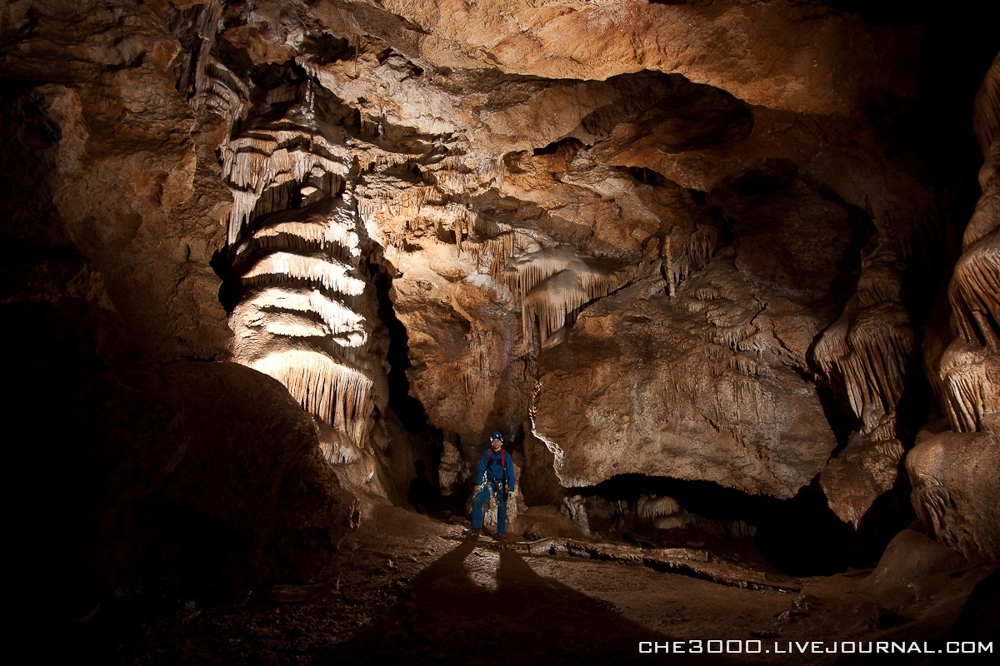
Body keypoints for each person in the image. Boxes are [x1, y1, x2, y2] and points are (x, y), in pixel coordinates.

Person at [466, 431, 515, 542]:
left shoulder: (505, 456)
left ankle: (500, 534)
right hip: (490, 483)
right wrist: (479, 484)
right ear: (492, 442)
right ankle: (475, 528)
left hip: (501, 484)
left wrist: (511, 489)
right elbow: (481, 469)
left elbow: (510, 473)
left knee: (502, 508)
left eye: (498, 441)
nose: (496, 443)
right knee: (477, 500)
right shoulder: (487, 454)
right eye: (494, 441)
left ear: (501, 442)